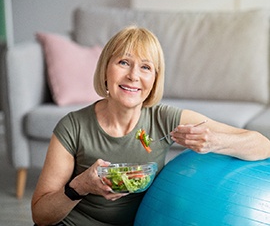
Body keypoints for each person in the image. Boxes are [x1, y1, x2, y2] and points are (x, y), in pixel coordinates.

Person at [31, 26, 270, 226]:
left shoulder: (163, 119)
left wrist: (215, 141)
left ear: (154, 79)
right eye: (124, 62)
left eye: (146, 67)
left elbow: (262, 145)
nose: (134, 76)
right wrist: (80, 186)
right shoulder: (73, 126)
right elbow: (40, 215)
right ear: (105, 69)